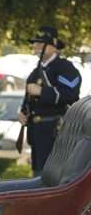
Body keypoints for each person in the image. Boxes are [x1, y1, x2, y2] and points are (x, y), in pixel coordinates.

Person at [17, 26, 81, 177]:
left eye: (42, 43)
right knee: (39, 177)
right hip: (37, 136)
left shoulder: (65, 68)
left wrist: (42, 91)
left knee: (57, 178)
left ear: (54, 46)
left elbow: (71, 95)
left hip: (57, 134)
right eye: (36, 44)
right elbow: (29, 102)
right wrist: (23, 114)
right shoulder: (35, 72)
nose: (38, 47)